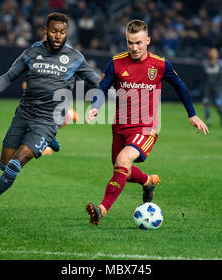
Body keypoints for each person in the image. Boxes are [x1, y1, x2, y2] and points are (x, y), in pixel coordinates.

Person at [0, 12, 100, 218]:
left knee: (13, 167)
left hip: (48, 120)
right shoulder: (31, 53)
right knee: (4, 164)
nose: (58, 36)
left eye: (62, 32)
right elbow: (8, 76)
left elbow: (97, 82)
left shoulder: (75, 58)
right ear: (45, 31)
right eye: (54, 31)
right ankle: (50, 141)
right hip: (24, 114)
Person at [85, 19, 209, 226]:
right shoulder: (116, 62)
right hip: (120, 126)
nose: (134, 48)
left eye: (139, 43)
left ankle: (101, 210)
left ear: (148, 41)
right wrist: (96, 106)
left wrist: (192, 114)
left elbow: (180, 87)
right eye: (130, 43)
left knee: (123, 161)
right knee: (121, 168)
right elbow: (103, 87)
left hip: (146, 127)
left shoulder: (160, 64)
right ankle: (148, 181)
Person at [201, 48, 222, 127]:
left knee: (217, 104)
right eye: (211, 52)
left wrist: (217, 85)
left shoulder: (221, 64)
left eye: (214, 52)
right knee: (206, 103)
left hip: (217, 87)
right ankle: (208, 122)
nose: (213, 54)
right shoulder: (205, 64)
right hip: (207, 87)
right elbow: (203, 76)